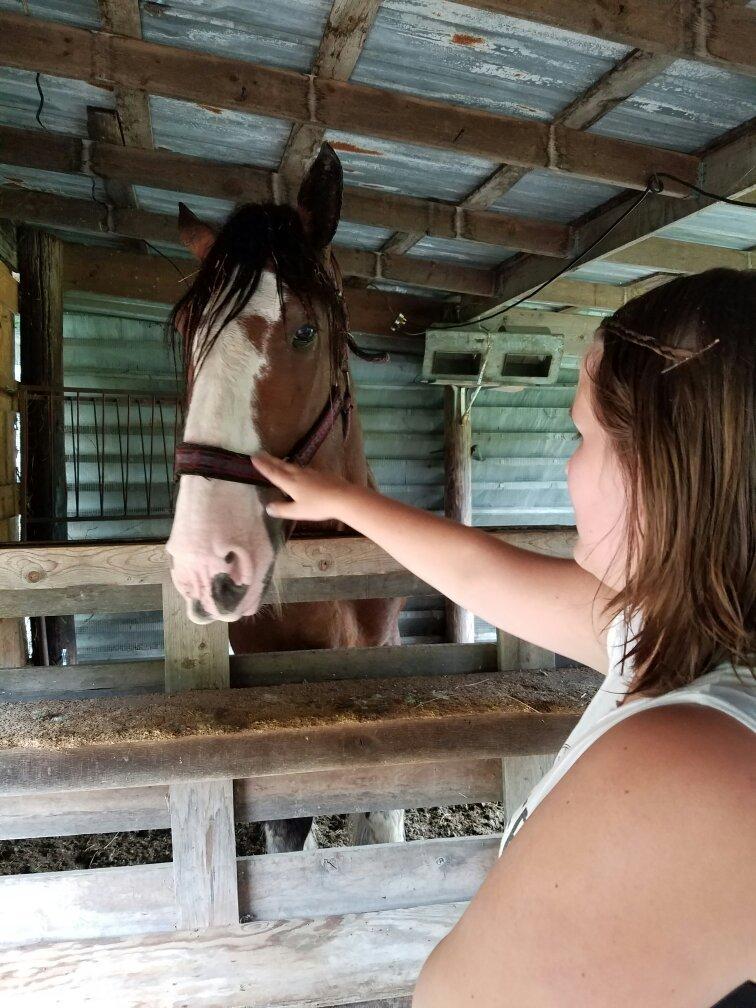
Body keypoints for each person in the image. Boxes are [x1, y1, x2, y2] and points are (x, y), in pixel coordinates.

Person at [251, 268, 755, 1008]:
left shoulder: (687, 763)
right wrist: (346, 500)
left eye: (583, 434)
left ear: (664, 467)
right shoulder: (687, 641)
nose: (568, 466)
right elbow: (483, 576)